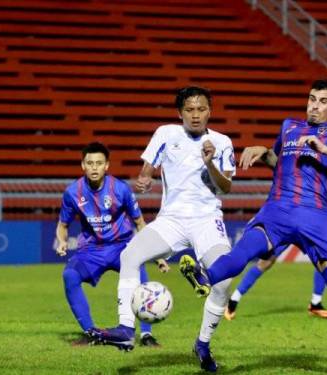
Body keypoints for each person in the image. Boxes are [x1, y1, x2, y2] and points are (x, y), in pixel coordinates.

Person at [180, 80, 327, 375]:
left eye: (323, 101)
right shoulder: (289, 126)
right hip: (277, 211)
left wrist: (326, 149)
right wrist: (264, 150)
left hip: (316, 218)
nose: (314, 105)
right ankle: (202, 276)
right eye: (312, 98)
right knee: (242, 255)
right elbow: (279, 162)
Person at [91, 86, 236, 372]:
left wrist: (210, 163)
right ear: (180, 113)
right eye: (190, 110)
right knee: (130, 255)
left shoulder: (221, 141)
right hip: (171, 219)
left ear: (211, 111)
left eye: (202, 109)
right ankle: (124, 328)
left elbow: (226, 187)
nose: (196, 115)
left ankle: (202, 344)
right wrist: (144, 180)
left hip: (207, 220)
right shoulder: (165, 133)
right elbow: (148, 168)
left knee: (223, 283)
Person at [56, 142, 169, 348]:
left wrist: (157, 255)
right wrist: (62, 241)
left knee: (141, 280)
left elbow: (140, 223)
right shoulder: (72, 192)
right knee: (69, 276)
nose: (94, 167)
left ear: (107, 166)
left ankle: (145, 335)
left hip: (121, 247)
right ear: (83, 165)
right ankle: (91, 333)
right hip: (91, 250)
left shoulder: (120, 189)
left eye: (99, 163)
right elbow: (62, 225)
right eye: (89, 163)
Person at [224, 244, 327, 320]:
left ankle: (316, 303)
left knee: (322, 257)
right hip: (288, 222)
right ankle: (234, 299)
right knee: (265, 262)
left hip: (304, 221)